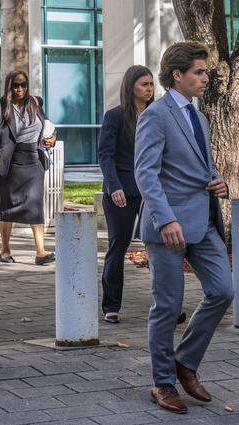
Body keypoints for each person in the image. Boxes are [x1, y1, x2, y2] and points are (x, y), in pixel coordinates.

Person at [134, 41, 233, 414]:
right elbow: (146, 173)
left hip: (203, 221)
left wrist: (218, 179)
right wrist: (166, 219)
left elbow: (203, 165)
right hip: (168, 227)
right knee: (168, 305)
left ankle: (185, 362)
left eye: (205, 72)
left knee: (224, 290)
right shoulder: (155, 116)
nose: (206, 77)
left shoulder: (199, 116)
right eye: (200, 72)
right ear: (178, 74)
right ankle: (163, 383)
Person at [98, 65, 154, 324]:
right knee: (117, 247)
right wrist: (114, 186)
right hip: (121, 191)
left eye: (152, 84)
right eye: (145, 84)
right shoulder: (115, 117)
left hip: (152, 191)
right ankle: (111, 306)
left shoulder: (157, 116)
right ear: (131, 87)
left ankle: (167, 306)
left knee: (160, 249)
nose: (150, 89)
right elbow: (105, 155)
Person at [0, 70, 56, 266]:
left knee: (35, 205)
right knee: (8, 207)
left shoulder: (36, 102)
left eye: (23, 85)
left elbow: (47, 126)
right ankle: (5, 250)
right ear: (9, 87)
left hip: (34, 161)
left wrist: (52, 138)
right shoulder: (1, 106)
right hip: (10, 163)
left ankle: (40, 252)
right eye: (16, 85)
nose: (20, 89)